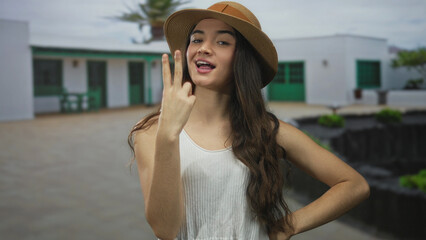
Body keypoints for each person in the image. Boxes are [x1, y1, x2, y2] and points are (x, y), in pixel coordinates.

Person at [128, 1, 370, 240]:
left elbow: (354, 184)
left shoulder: (267, 131)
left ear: (242, 60)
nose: (203, 48)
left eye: (222, 41)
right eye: (197, 39)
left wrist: (288, 226)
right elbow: (164, 229)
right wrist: (168, 135)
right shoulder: (150, 132)